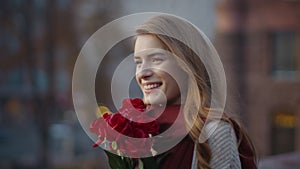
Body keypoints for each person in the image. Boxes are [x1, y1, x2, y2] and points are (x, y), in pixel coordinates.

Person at [133, 14, 257, 169]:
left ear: (187, 64)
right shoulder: (136, 134)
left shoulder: (214, 133)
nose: (142, 73)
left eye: (156, 59)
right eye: (138, 62)